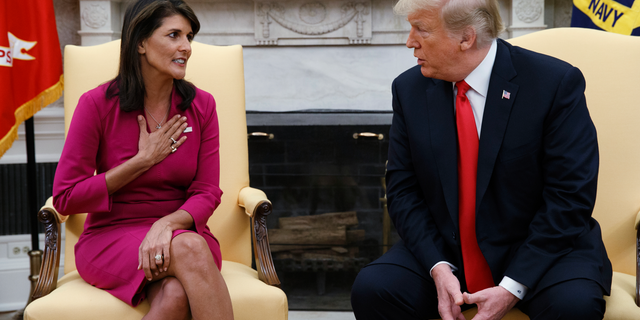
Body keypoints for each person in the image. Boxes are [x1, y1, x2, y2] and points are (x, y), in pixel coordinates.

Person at [351, 0, 612, 319]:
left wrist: (513, 286)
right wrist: (438, 267)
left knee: (574, 306)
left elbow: (570, 196)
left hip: (540, 248)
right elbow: (403, 191)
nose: (410, 41)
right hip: (446, 249)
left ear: (466, 37)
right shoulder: (410, 89)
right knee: (374, 289)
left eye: (421, 30)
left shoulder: (554, 83)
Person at [52, 0, 233, 319]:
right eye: (174, 35)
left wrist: (166, 224)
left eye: (189, 37)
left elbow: (207, 191)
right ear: (140, 43)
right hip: (112, 238)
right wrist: (142, 160)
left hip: (184, 233)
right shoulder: (96, 104)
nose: (186, 47)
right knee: (189, 250)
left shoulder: (202, 105)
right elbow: (66, 198)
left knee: (176, 292)